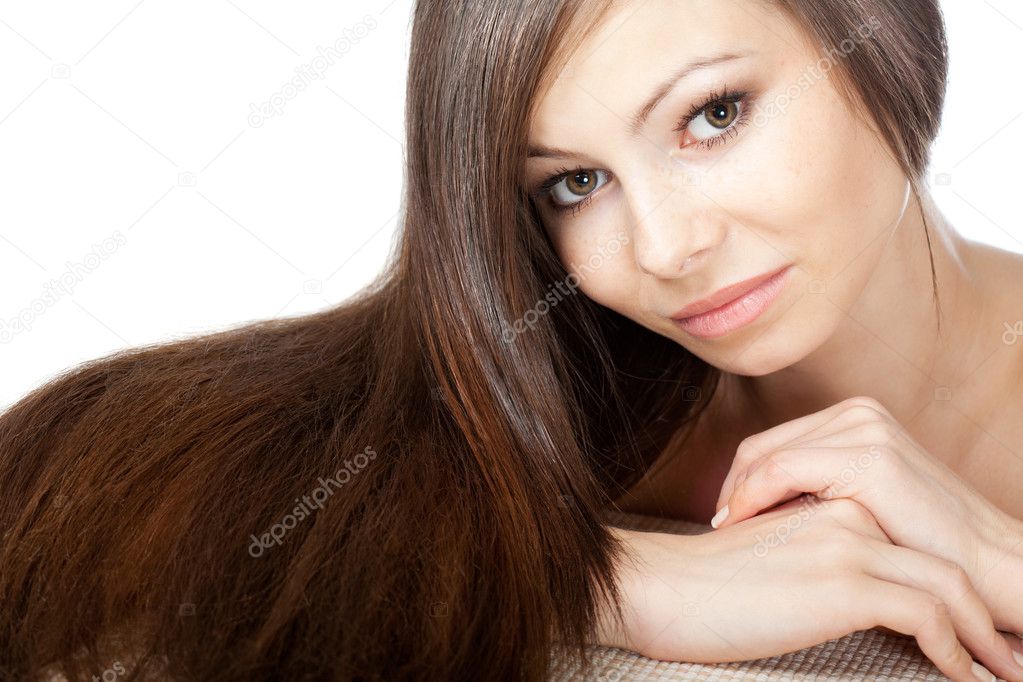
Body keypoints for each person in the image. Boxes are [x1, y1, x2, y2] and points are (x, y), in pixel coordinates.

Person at [0, 1, 1020, 681]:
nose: (665, 248)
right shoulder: (556, 390)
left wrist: (995, 555)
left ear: (879, 32)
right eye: (574, 184)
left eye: (714, 114)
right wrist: (600, 575)